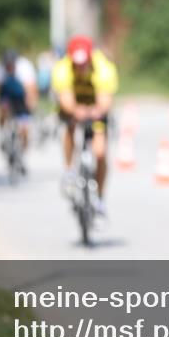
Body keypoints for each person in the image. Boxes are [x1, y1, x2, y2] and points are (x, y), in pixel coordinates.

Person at [52, 35, 119, 215]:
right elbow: (66, 100)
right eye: (77, 63)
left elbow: (105, 101)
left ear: (91, 57)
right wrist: (76, 111)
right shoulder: (62, 69)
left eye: (84, 63)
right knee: (69, 127)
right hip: (74, 103)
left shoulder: (104, 68)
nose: (80, 67)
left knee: (100, 152)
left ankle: (99, 197)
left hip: (95, 103)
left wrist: (96, 111)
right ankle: (69, 169)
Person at [0, 49, 38, 168]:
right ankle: (3, 133)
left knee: (25, 128)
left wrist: (31, 105)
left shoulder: (25, 68)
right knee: (1, 110)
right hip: (6, 94)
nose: (9, 67)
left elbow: (31, 90)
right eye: (7, 65)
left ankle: (22, 154)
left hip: (21, 96)